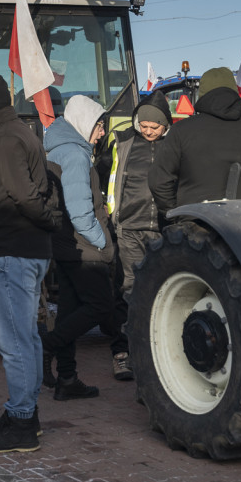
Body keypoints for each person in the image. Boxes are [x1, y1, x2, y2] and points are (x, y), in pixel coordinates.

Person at [0, 73, 60, 455]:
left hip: (11, 252)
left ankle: (21, 420)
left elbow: (25, 196)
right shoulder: (19, 132)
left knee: (14, 340)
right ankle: (24, 413)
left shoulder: (4, 140)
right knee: (27, 337)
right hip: (22, 250)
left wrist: (47, 221)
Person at [42, 95, 113, 401]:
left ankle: (67, 379)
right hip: (83, 245)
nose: (101, 133)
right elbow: (80, 209)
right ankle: (48, 345)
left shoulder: (58, 148)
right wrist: (102, 241)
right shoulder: (75, 154)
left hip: (64, 242)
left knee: (70, 309)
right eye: (99, 126)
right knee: (102, 306)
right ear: (85, 123)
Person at [99, 91, 174, 381]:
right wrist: (112, 214)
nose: (149, 131)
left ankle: (157, 352)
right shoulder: (123, 142)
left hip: (164, 228)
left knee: (162, 289)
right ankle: (123, 353)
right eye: (144, 126)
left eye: (155, 127)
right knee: (128, 288)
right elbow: (105, 175)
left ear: (165, 125)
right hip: (129, 227)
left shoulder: (174, 144)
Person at [149, 66, 241, 211]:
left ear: (202, 94)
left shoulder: (181, 131)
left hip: (194, 225)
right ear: (235, 91)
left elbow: (159, 182)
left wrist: (176, 215)